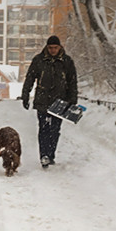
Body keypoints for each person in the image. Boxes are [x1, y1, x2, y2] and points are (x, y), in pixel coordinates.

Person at [20, 35, 78, 168]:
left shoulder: (67, 61)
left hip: (60, 101)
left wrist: (72, 100)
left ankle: (51, 154)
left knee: (55, 129)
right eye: (50, 47)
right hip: (42, 100)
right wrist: (25, 95)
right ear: (47, 47)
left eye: (55, 48)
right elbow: (30, 78)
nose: (53, 50)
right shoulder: (39, 60)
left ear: (60, 47)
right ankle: (44, 155)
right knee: (44, 129)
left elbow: (72, 82)